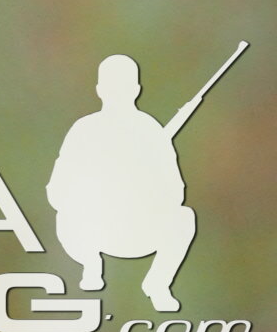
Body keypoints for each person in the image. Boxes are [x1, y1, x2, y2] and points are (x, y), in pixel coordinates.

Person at [52, 55, 200, 314]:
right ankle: (91, 265)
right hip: (92, 230)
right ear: (136, 90)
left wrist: (141, 190)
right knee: (66, 214)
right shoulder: (85, 130)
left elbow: (175, 192)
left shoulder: (150, 131)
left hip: (139, 231)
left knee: (184, 218)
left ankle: (157, 284)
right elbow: (58, 190)